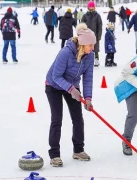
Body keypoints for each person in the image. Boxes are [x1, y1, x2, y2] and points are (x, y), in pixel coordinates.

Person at [45, 23, 96, 167]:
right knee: (57, 119)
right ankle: (54, 154)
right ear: (83, 44)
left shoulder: (90, 56)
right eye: (90, 45)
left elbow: (88, 77)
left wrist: (88, 98)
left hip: (73, 86)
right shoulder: (65, 53)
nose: (93, 48)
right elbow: (56, 76)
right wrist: (71, 89)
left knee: (78, 118)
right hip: (53, 86)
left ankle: (78, 150)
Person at [81, 1, 102, 67]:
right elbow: (82, 25)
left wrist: (98, 36)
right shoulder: (85, 16)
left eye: (92, 6)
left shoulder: (97, 16)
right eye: (90, 6)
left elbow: (99, 26)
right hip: (86, 36)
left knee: (95, 49)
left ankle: (96, 60)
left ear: (94, 7)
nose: (91, 8)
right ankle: (85, 61)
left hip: (94, 35)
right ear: (88, 7)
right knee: (86, 49)